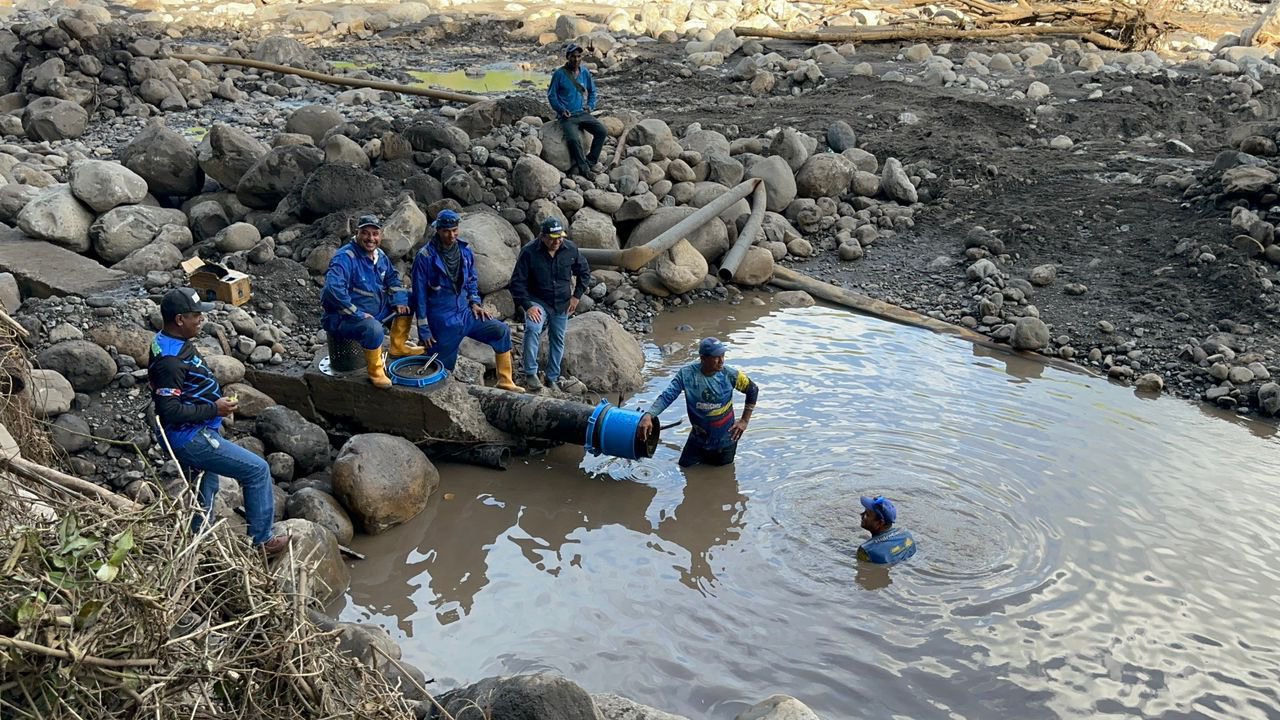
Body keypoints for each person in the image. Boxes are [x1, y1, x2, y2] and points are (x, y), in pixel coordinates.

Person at [149, 288, 289, 556]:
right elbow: (169, 410)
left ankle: (197, 542)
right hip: (190, 437)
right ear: (179, 319)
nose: (201, 320)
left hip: (194, 430)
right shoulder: (169, 361)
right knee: (257, 470)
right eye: (196, 316)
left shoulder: (170, 341)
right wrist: (213, 407)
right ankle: (262, 541)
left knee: (206, 485)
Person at [411, 209, 523, 392]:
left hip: (465, 312)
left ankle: (505, 380)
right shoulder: (425, 257)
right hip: (441, 320)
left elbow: (471, 279)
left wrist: (475, 303)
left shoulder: (465, 251)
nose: (452, 235)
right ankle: (439, 395)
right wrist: (423, 328)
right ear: (438, 230)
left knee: (500, 330)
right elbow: (419, 295)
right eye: (447, 231)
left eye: (455, 230)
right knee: (440, 367)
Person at [320, 214, 421, 389]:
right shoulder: (345, 258)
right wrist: (357, 314)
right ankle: (375, 372)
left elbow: (392, 278)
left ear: (380, 235)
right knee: (373, 328)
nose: (371, 239)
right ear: (357, 233)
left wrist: (398, 299)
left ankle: (398, 346)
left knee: (409, 298)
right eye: (365, 233)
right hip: (344, 319)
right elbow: (332, 290)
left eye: (375, 234)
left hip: (375, 309)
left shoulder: (379, 255)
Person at [638, 337, 759, 467]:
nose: (721, 361)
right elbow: (668, 395)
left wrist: (744, 421)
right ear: (703, 358)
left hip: (726, 440)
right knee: (684, 468)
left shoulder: (731, 375)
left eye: (723, 355)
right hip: (698, 440)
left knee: (724, 479)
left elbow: (752, 389)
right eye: (716, 357)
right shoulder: (686, 375)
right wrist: (650, 414)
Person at [508, 218, 592, 391]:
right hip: (537, 300)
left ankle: (552, 377)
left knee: (558, 339)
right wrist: (527, 305)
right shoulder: (529, 252)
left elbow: (584, 272)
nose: (557, 242)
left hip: (561, 303)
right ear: (542, 236)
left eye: (560, 237)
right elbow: (517, 281)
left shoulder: (570, 249)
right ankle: (530, 372)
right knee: (533, 328)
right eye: (552, 238)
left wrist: (576, 297)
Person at [547, 42, 607, 178]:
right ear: (568, 57)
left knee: (602, 131)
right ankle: (584, 169)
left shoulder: (585, 72)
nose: (576, 59)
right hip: (567, 116)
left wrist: (590, 106)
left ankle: (591, 161)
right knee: (574, 140)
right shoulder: (559, 74)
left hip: (581, 112)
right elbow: (552, 95)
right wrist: (561, 110)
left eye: (579, 56)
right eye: (573, 56)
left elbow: (592, 91)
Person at [856, 495, 916, 565]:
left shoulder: (867, 550)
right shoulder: (906, 534)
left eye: (867, 514)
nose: (861, 514)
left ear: (880, 522)